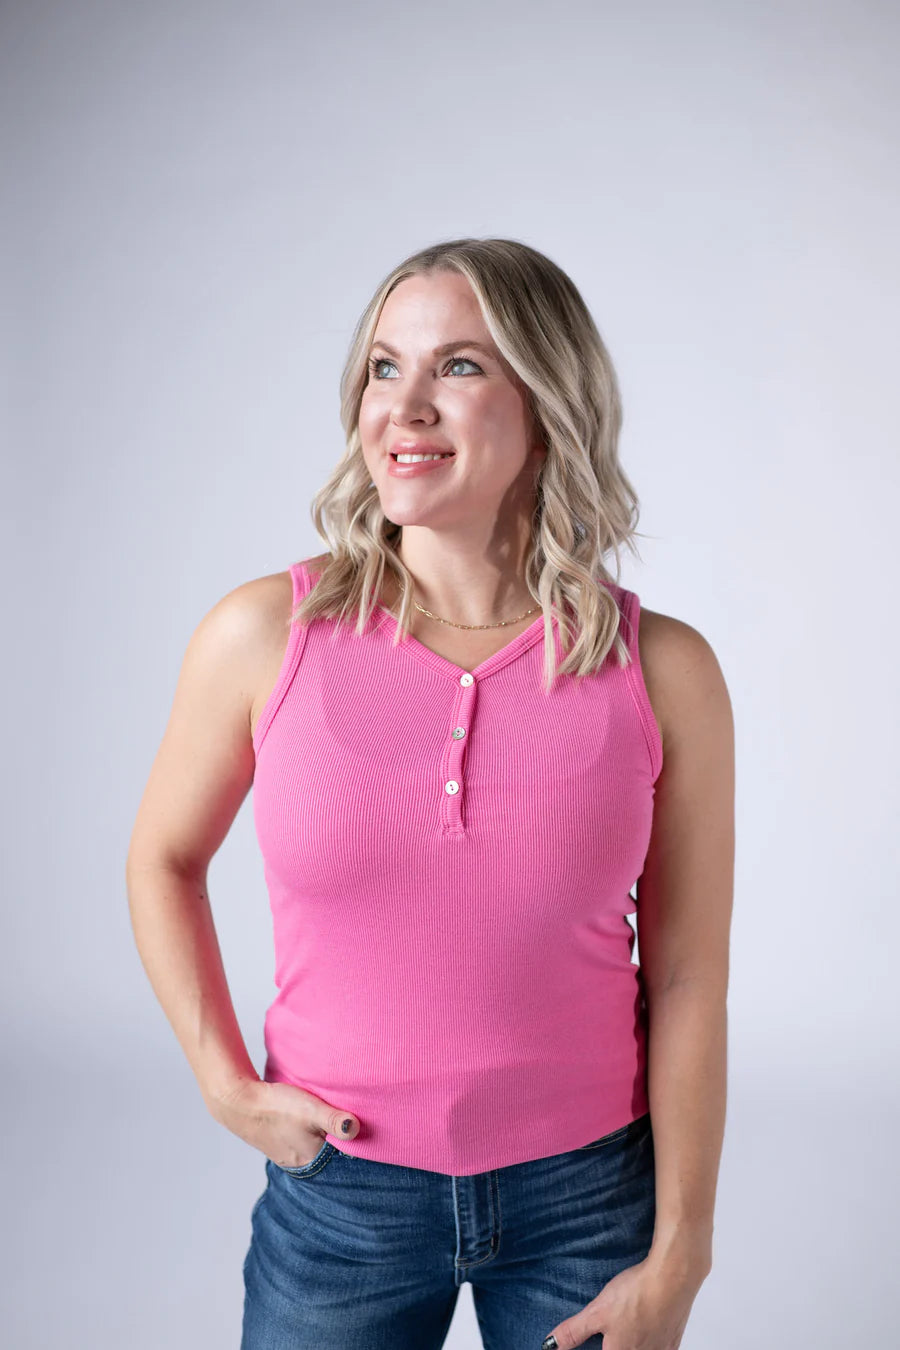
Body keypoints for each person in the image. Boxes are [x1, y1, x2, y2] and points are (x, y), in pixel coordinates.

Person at [125, 237, 734, 1350]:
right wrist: (223, 1081)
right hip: (340, 1196)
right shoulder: (265, 637)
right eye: (383, 367)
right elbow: (164, 859)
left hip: (588, 1202)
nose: (404, 406)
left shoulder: (662, 670)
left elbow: (689, 977)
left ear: (546, 405)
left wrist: (682, 1253)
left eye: (458, 366)